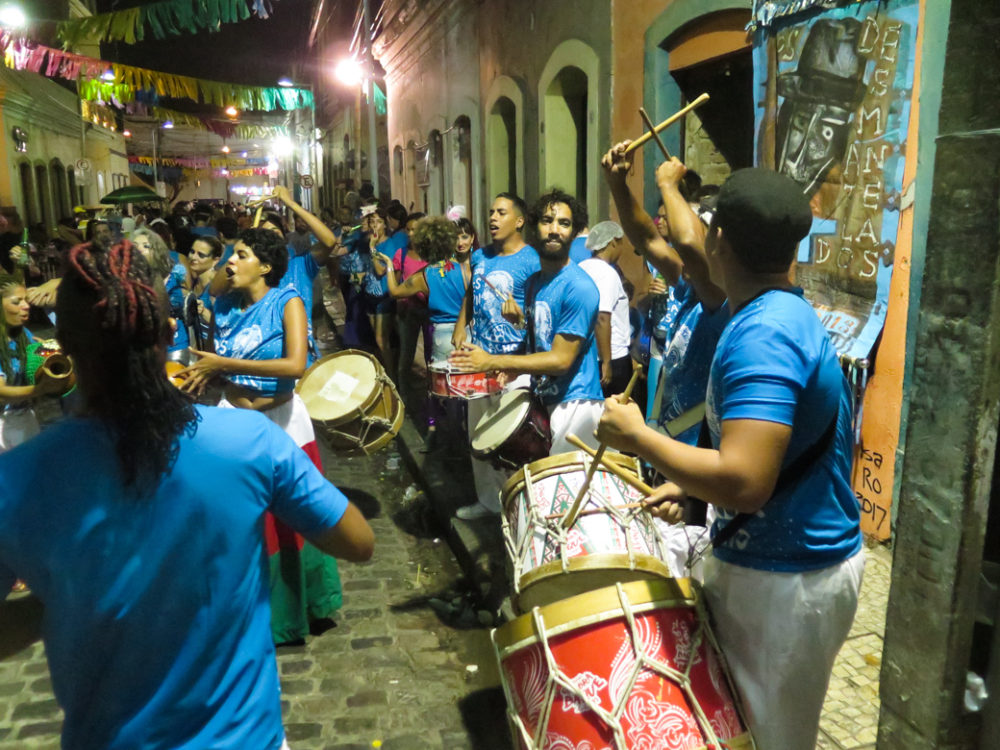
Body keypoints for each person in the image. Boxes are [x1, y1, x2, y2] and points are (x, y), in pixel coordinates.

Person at [0, 239, 373, 749]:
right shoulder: (248, 442)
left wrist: (70, 597)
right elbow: (358, 541)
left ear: (61, 342)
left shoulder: (15, 479)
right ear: (168, 332)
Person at [596, 167, 864, 750]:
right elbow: (766, 454)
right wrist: (692, 484)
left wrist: (638, 437)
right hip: (784, 567)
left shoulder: (763, 335)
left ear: (718, 239)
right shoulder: (777, 311)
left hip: (786, 579)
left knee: (768, 739)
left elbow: (745, 482)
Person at [183, 228, 345, 645]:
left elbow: (295, 365)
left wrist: (224, 363)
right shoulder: (224, 305)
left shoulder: (288, 301)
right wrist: (202, 376)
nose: (231, 263)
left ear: (267, 266)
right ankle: (246, 613)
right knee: (243, 519)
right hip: (234, 422)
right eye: (231, 255)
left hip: (283, 422)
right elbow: (214, 294)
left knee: (292, 518)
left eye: (241, 255)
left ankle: (298, 609)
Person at [451, 188, 603, 457]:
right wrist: (520, 334)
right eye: (547, 221)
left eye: (564, 223)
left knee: (566, 480)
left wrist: (494, 361)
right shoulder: (534, 283)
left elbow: (561, 360)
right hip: (542, 398)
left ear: (574, 232)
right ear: (534, 228)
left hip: (575, 404)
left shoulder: (579, 287)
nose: (554, 230)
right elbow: (539, 340)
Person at [603, 145, 728, 445]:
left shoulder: (722, 298)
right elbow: (647, 238)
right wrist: (617, 183)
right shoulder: (690, 286)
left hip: (699, 452)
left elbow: (688, 244)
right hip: (670, 440)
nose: (685, 252)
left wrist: (668, 185)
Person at [450, 193, 540, 520]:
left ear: (519, 221)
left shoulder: (532, 261)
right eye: (491, 212)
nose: (492, 218)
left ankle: (519, 509)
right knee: (479, 435)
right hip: (479, 359)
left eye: (501, 213)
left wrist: (522, 321)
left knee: (511, 441)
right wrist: (461, 324)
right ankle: (488, 501)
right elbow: (471, 292)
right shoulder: (481, 256)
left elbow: (540, 310)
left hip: (513, 365)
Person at [375, 216, 467, 452]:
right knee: (464, 387)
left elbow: (395, 291)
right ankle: (463, 438)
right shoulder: (463, 269)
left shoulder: (424, 276)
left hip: (440, 335)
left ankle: (443, 436)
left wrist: (389, 265)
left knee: (441, 387)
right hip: (465, 332)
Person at [578, 220, 633, 396]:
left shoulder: (580, 268)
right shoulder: (607, 273)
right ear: (613, 242)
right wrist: (607, 362)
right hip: (611, 357)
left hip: (585, 355)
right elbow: (602, 317)